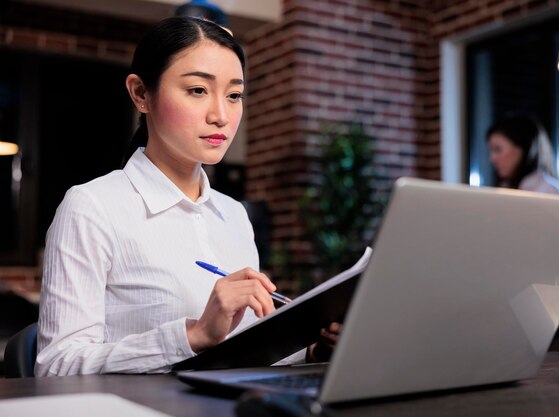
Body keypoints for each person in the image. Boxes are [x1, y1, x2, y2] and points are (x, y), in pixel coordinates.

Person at [35, 16, 337, 376]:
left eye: (235, 95)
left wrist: (315, 351)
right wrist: (193, 335)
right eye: (197, 90)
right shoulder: (92, 207)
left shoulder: (234, 215)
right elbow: (56, 366)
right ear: (141, 94)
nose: (221, 116)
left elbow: (243, 352)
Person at [486, 114, 559, 195]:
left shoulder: (549, 192)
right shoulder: (505, 188)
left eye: (498, 149)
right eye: (491, 150)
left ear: (522, 148)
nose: (492, 159)